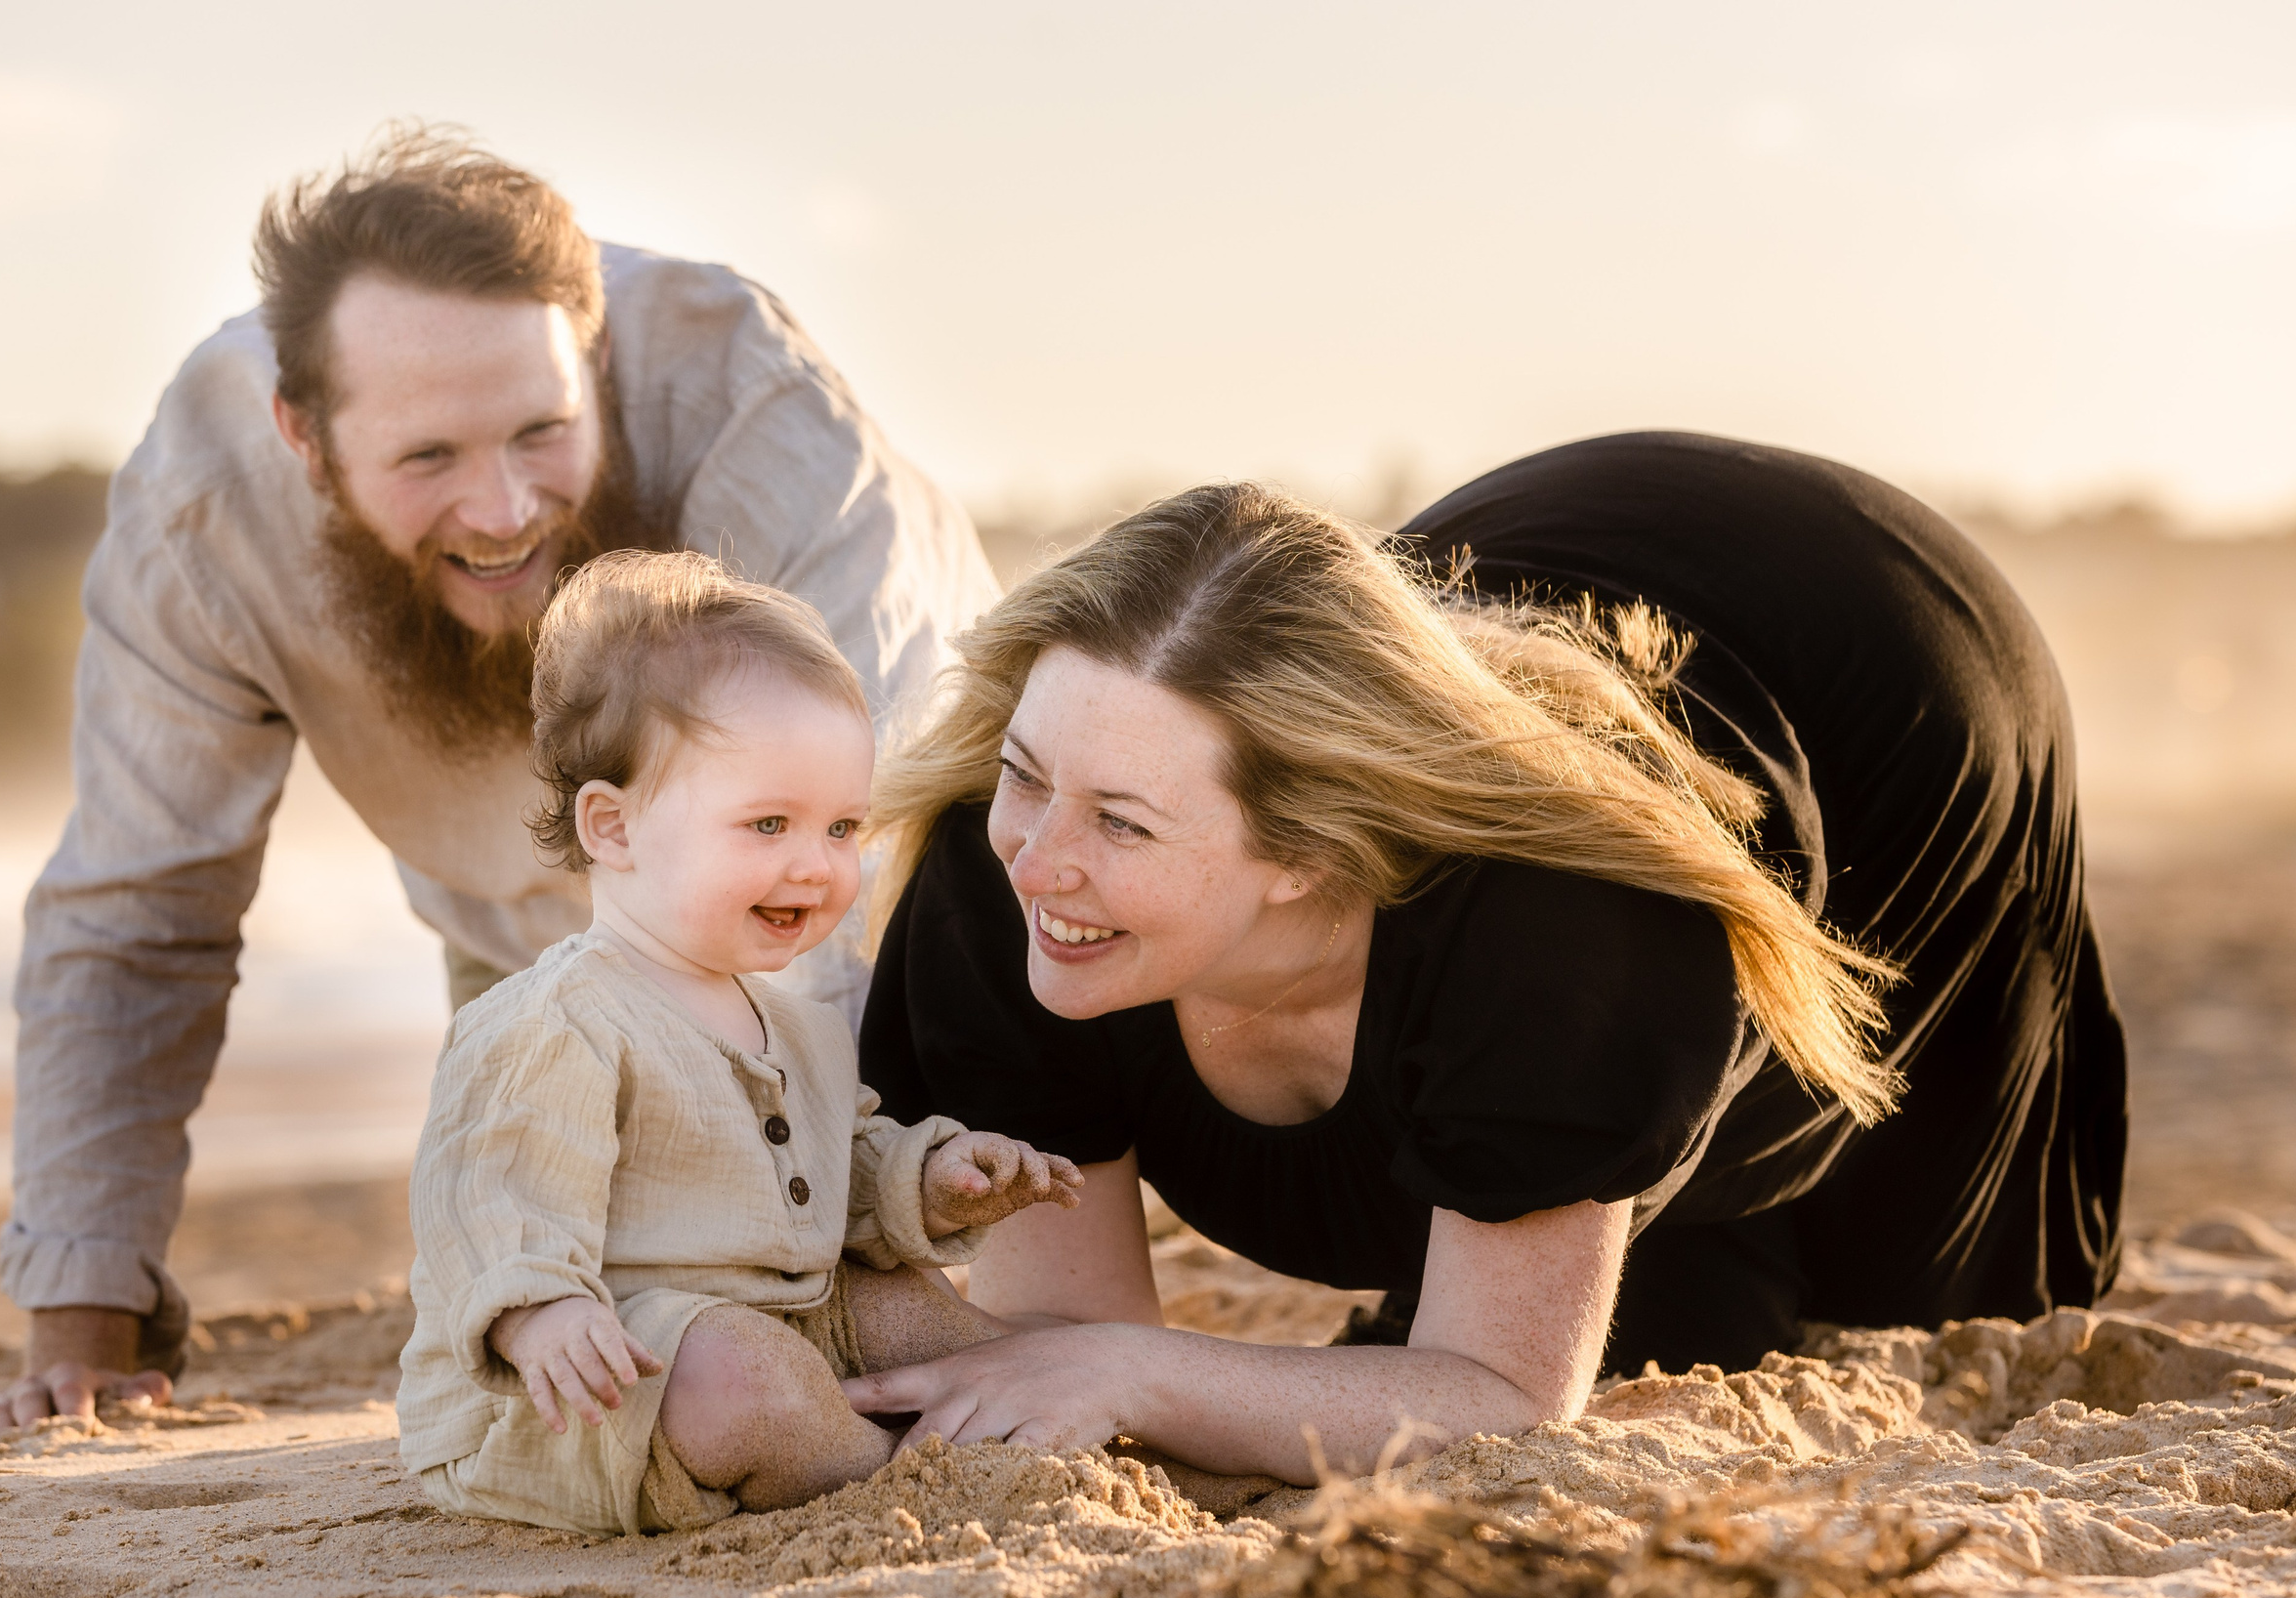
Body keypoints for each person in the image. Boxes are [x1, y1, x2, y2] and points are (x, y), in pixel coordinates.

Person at [0, 130, 998, 1441]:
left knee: (855, 1304)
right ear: (305, 435)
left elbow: (830, 895)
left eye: (541, 432)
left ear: (596, 360)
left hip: (903, 912)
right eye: (428, 458)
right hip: (516, 926)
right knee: (542, 1248)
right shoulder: (203, 519)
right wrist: (82, 1324)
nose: (505, 508)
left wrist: (816, 1271)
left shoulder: (758, 413)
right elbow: (137, 916)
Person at [848, 434, 2126, 1486]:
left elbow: (1505, 1395)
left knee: (1928, 1319)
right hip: (1538, 586)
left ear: (1311, 848)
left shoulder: (1561, 925)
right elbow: (1064, 1336)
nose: (1041, 857)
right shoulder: (999, 869)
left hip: (1890, 670)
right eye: (1028, 775)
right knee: (1655, 1320)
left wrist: (1145, 1370)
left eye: (1122, 821)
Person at [397, 552, 1078, 1535]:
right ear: (614, 828)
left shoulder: (792, 1023)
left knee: (912, 1309)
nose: (815, 865)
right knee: (744, 1378)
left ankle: (1010, 1414)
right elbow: (493, 1194)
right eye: (767, 824)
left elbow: (830, 1173)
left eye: (842, 827)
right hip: (592, 1382)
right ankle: (903, 1476)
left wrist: (925, 1180)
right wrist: (540, 1312)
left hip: (778, 1316)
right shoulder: (560, 1019)